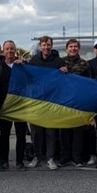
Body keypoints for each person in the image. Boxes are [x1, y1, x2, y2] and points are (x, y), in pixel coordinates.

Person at [27, 35, 66, 170]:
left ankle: (50, 158)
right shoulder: (33, 60)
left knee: (50, 132)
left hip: (52, 101)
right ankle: (37, 157)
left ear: (51, 46)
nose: (46, 47)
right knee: (36, 132)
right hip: (36, 101)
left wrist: (64, 71)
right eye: (44, 45)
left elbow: (65, 80)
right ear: (40, 46)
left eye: (48, 45)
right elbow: (28, 77)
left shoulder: (58, 61)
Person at [0, 40, 29, 170]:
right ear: (3, 51)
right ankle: (3, 160)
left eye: (12, 48)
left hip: (20, 106)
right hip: (5, 107)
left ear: (15, 50)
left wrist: (24, 65)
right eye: (7, 49)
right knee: (4, 134)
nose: (10, 51)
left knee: (21, 135)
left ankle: (20, 161)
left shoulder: (22, 66)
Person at [59, 38, 90, 167]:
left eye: (75, 46)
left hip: (78, 102)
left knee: (78, 131)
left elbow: (89, 83)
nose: (73, 49)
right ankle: (65, 157)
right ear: (67, 49)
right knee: (64, 131)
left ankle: (77, 158)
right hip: (63, 102)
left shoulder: (84, 64)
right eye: (71, 46)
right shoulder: (60, 63)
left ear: (79, 49)